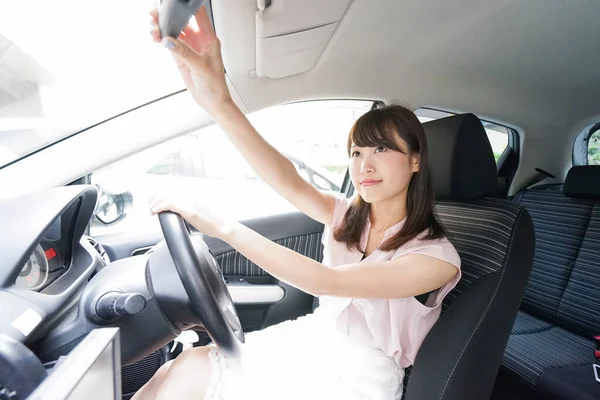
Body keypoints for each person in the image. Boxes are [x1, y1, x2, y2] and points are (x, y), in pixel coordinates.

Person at [136, 6, 461, 400]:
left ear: (415, 161)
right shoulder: (349, 217)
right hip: (312, 342)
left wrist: (221, 225)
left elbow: (330, 282)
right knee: (177, 367)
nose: (365, 164)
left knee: (187, 378)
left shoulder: (436, 259)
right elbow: (286, 179)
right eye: (356, 153)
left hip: (357, 378)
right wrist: (219, 102)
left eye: (381, 148)